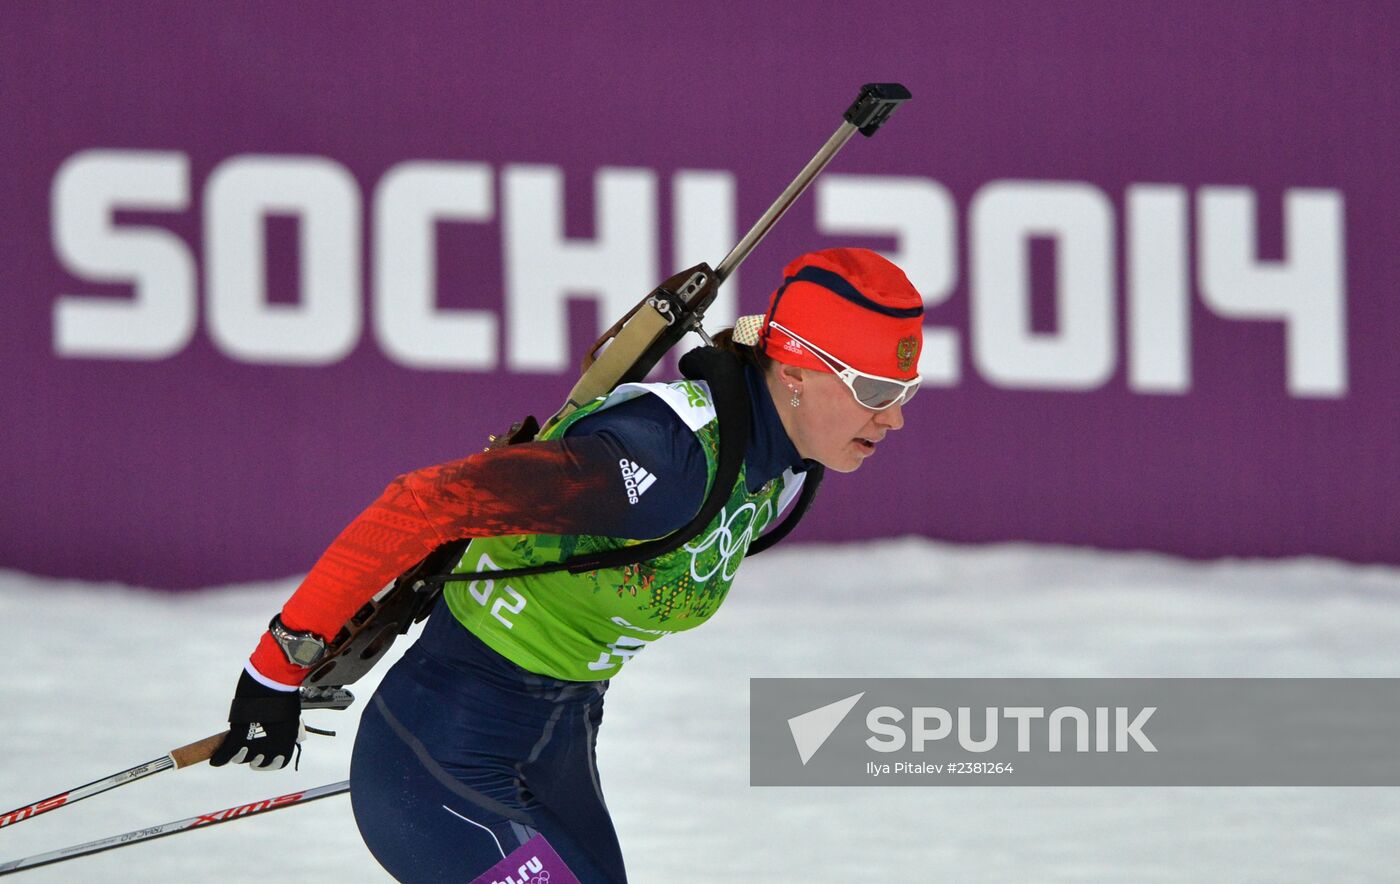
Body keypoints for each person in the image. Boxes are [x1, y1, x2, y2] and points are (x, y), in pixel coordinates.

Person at [209, 247, 924, 882]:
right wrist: (276, 668)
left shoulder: (785, 468)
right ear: (796, 371)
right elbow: (424, 503)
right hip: (439, 760)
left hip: (556, 749)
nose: (894, 418)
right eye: (876, 392)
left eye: (906, 392)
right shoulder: (658, 462)